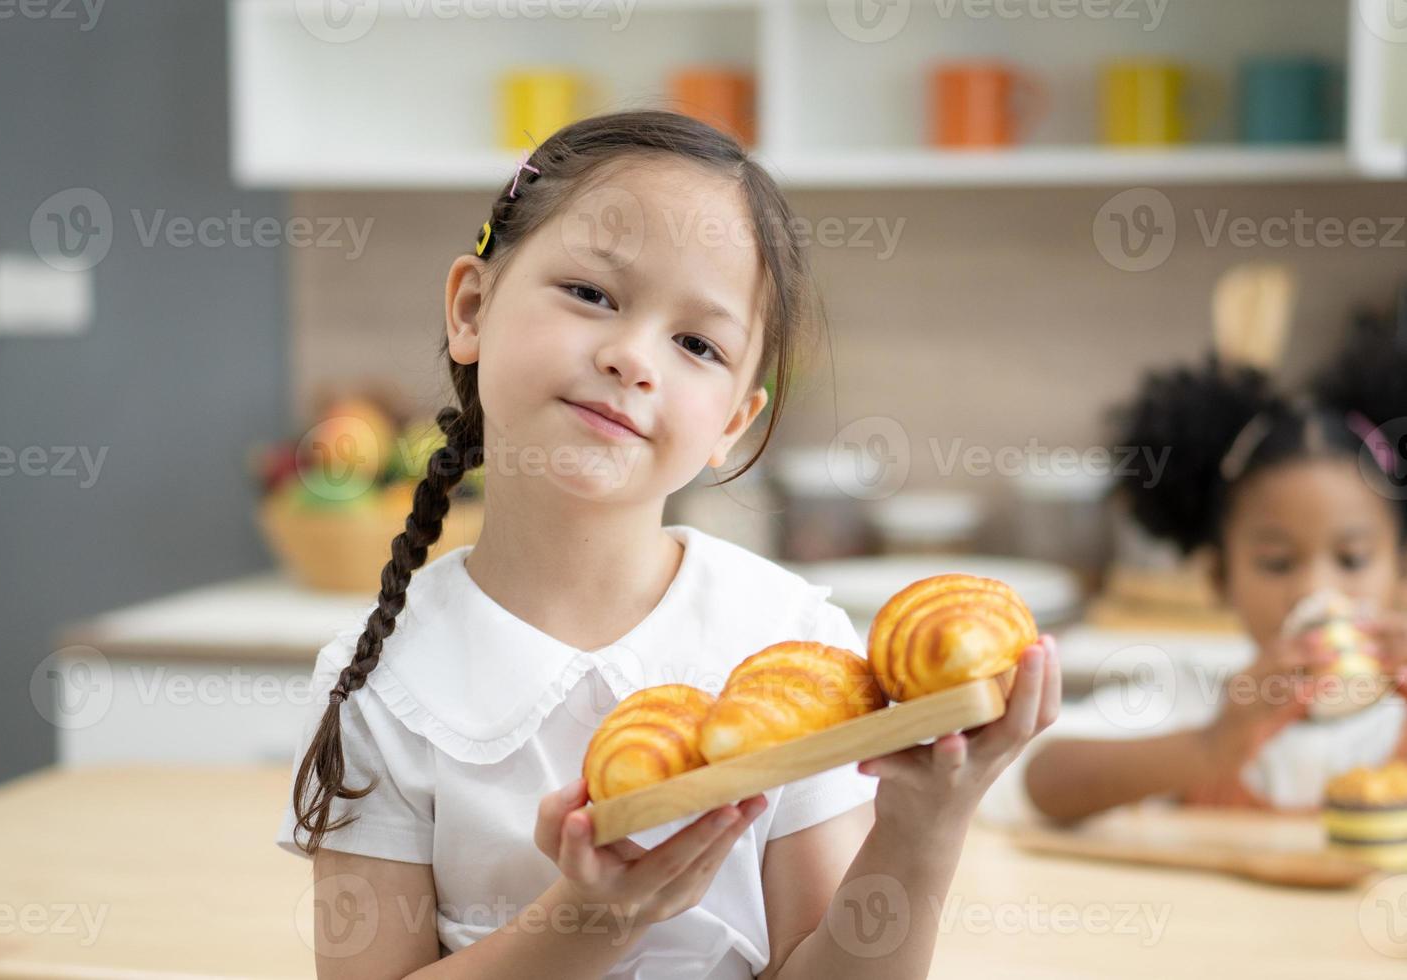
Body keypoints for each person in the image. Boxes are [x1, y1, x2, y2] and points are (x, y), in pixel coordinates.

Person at [274, 110, 1061, 979]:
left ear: (732, 420)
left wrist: (926, 820)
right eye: (591, 294)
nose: (634, 357)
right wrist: (589, 922)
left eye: (697, 343)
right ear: (472, 307)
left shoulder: (790, 649)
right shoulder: (377, 682)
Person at [1023, 312, 1407, 825]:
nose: (1315, 589)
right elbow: (1036, 781)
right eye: (1276, 562)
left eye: (1352, 559)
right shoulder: (1194, 700)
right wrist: (1208, 748)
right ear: (1218, 579)